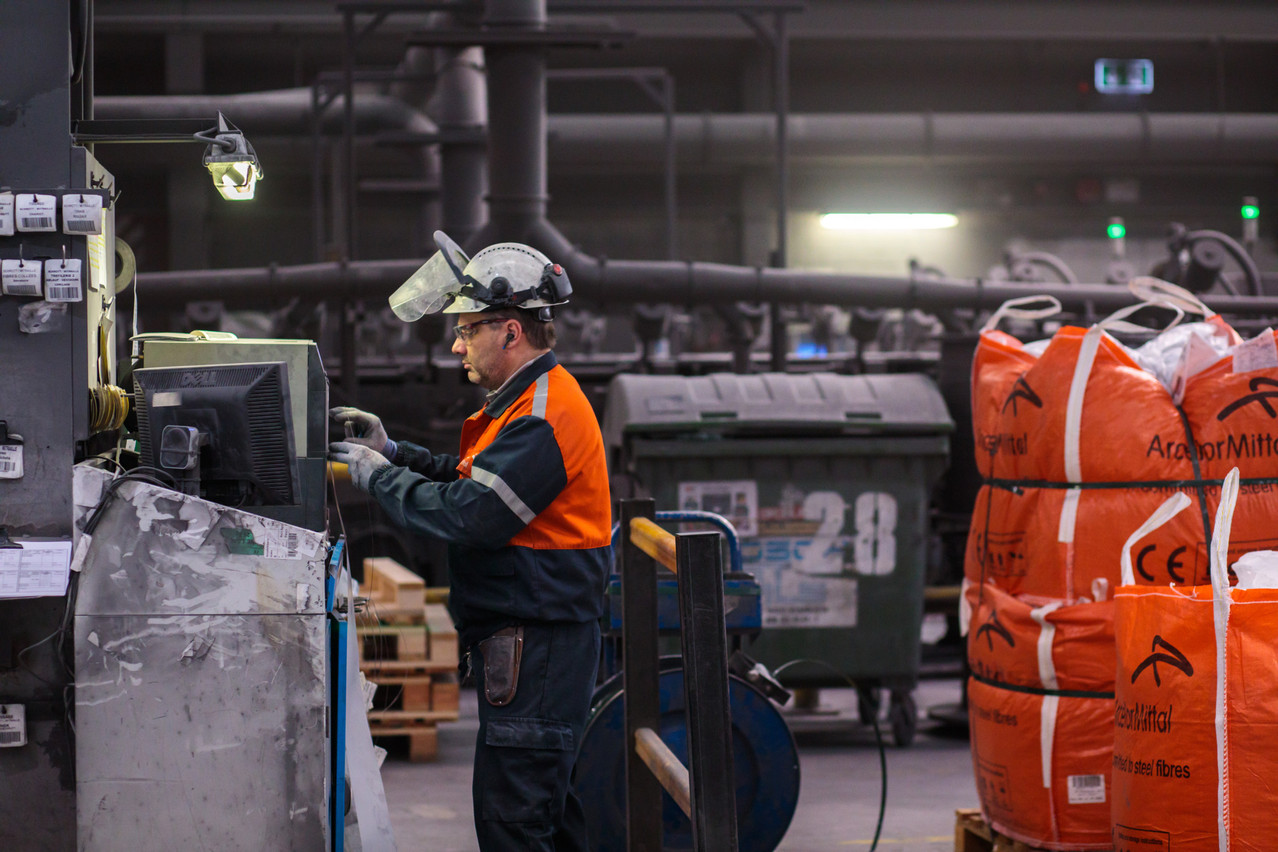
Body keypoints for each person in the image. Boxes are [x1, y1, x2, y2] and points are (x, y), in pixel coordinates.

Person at [328, 232, 612, 852]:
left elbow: (472, 514)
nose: (457, 344)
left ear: (509, 332)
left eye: (466, 329)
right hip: (531, 636)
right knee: (542, 815)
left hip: (539, 642)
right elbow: (473, 480)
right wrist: (394, 454)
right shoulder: (523, 404)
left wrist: (382, 480)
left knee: (515, 821)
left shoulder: (541, 415)